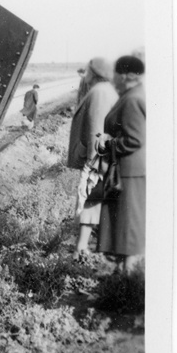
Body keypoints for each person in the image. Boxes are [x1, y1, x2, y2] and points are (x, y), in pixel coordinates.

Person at [97, 55, 146, 273]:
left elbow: (135, 139)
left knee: (128, 227)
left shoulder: (133, 99)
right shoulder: (131, 95)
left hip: (129, 172)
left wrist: (109, 143)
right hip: (126, 171)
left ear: (125, 75)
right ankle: (124, 277)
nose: (113, 78)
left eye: (116, 74)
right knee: (123, 225)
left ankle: (129, 281)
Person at [66, 58, 118, 259]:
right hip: (101, 158)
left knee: (88, 199)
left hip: (96, 159)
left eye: (88, 69)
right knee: (94, 200)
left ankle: (83, 247)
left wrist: (93, 161)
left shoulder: (99, 93)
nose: (85, 72)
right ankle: (88, 245)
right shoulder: (103, 90)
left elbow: (96, 129)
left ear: (94, 72)